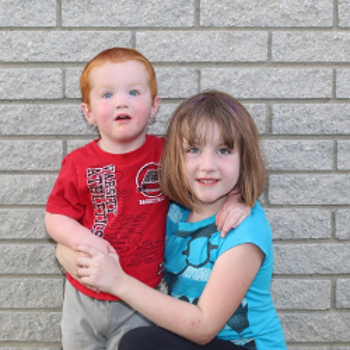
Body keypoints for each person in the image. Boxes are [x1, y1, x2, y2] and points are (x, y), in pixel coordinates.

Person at [45, 47, 250, 350]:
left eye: (133, 92)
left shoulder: (166, 154)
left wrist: (236, 198)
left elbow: (209, 172)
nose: (121, 102)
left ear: (154, 106)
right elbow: (56, 216)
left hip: (140, 297)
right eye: (107, 95)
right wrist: (83, 242)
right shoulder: (78, 163)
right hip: (84, 293)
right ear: (87, 111)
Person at [75, 90, 287, 350]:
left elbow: (204, 326)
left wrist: (118, 282)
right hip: (193, 342)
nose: (207, 165)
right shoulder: (173, 209)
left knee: (140, 342)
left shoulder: (244, 228)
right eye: (194, 149)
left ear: (245, 159)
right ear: (175, 155)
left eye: (223, 150)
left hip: (243, 346)